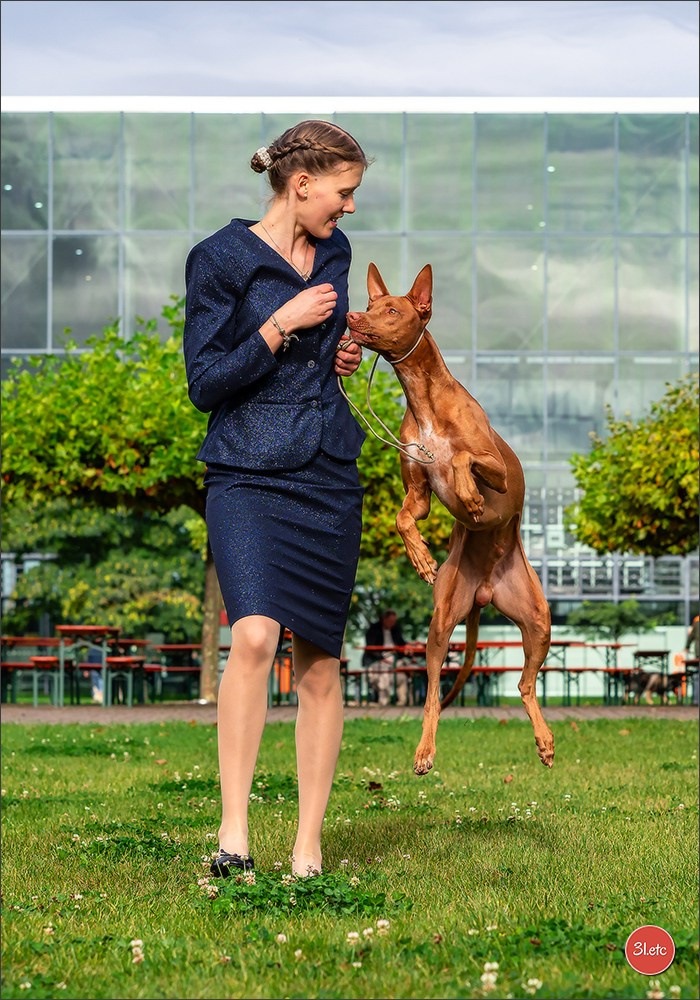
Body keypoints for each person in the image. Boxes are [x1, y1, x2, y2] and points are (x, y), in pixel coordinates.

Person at [183, 120, 369, 880]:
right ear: (302, 185)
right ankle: (234, 834)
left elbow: (321, 358)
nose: (349, 209)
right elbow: (205, 383)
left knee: (321, 661)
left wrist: (339, 356)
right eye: (344, 193)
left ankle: (308, 846)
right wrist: (277, 326)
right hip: (246, 472)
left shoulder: (334, 252)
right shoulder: (219, 258)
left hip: (327, 468)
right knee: (254, 637)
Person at [362, 609, 410, 707]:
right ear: (384, 619)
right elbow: (370, 648)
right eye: (391, 621)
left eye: (394, 621)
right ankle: (384, 702)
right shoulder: (374, 629)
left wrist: (408, 648)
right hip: (377, 661)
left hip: (394, 661)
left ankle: (402, 701)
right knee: (384, 673)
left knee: (403, 675)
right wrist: (381, 658)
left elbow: (402, 644)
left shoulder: (396, 630)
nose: (392, 623)